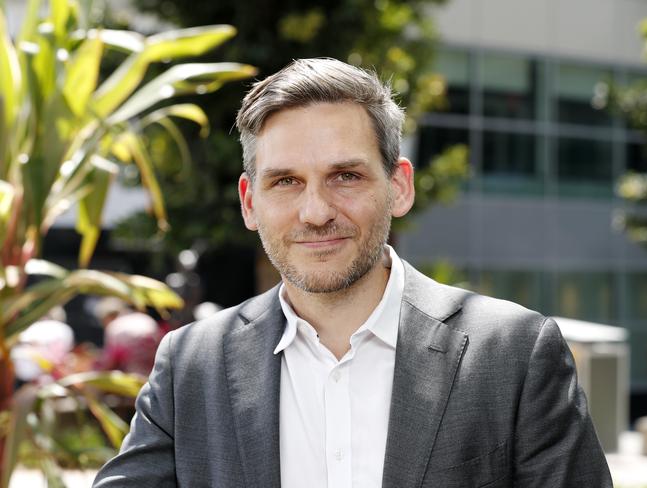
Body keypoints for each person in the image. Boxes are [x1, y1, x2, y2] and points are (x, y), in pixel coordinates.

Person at [93, 58, 612, 487]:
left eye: (345, 176)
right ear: (250, 204)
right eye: (286, 182)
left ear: (399, 186)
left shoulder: (512, 355)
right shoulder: (191, 365)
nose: (316, 211)